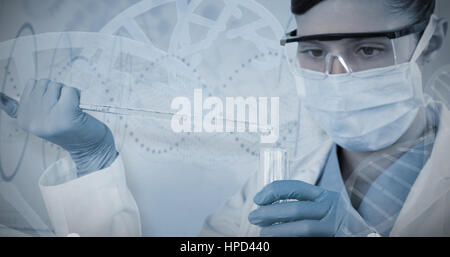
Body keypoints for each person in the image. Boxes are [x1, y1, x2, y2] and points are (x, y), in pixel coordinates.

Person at [0, 0, 448, 236]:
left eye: (366, 49)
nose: (336, 77)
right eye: (313, 52)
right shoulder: (273, 181)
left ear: (430, 43)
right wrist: (92, 159)